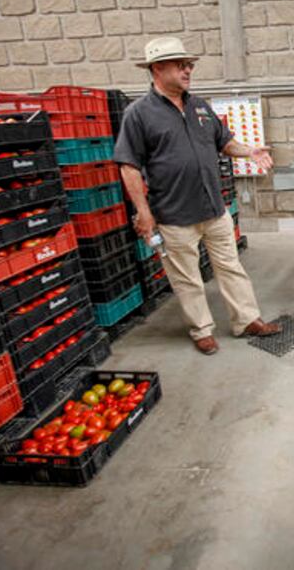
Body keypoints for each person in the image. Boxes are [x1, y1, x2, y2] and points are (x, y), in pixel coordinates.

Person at [113, 36, 281, 355]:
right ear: (158, 68)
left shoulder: (200, 106)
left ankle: (247, 320)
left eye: (189, 64)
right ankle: (201, 329)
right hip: (174, 214)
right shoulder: (139, 114)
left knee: (231, 266)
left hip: (213, 207)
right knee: (187, 277)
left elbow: (224, 142)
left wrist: (249, 151)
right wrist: (144, 212)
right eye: (181, 65)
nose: (188, 70)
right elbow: (128, 167)